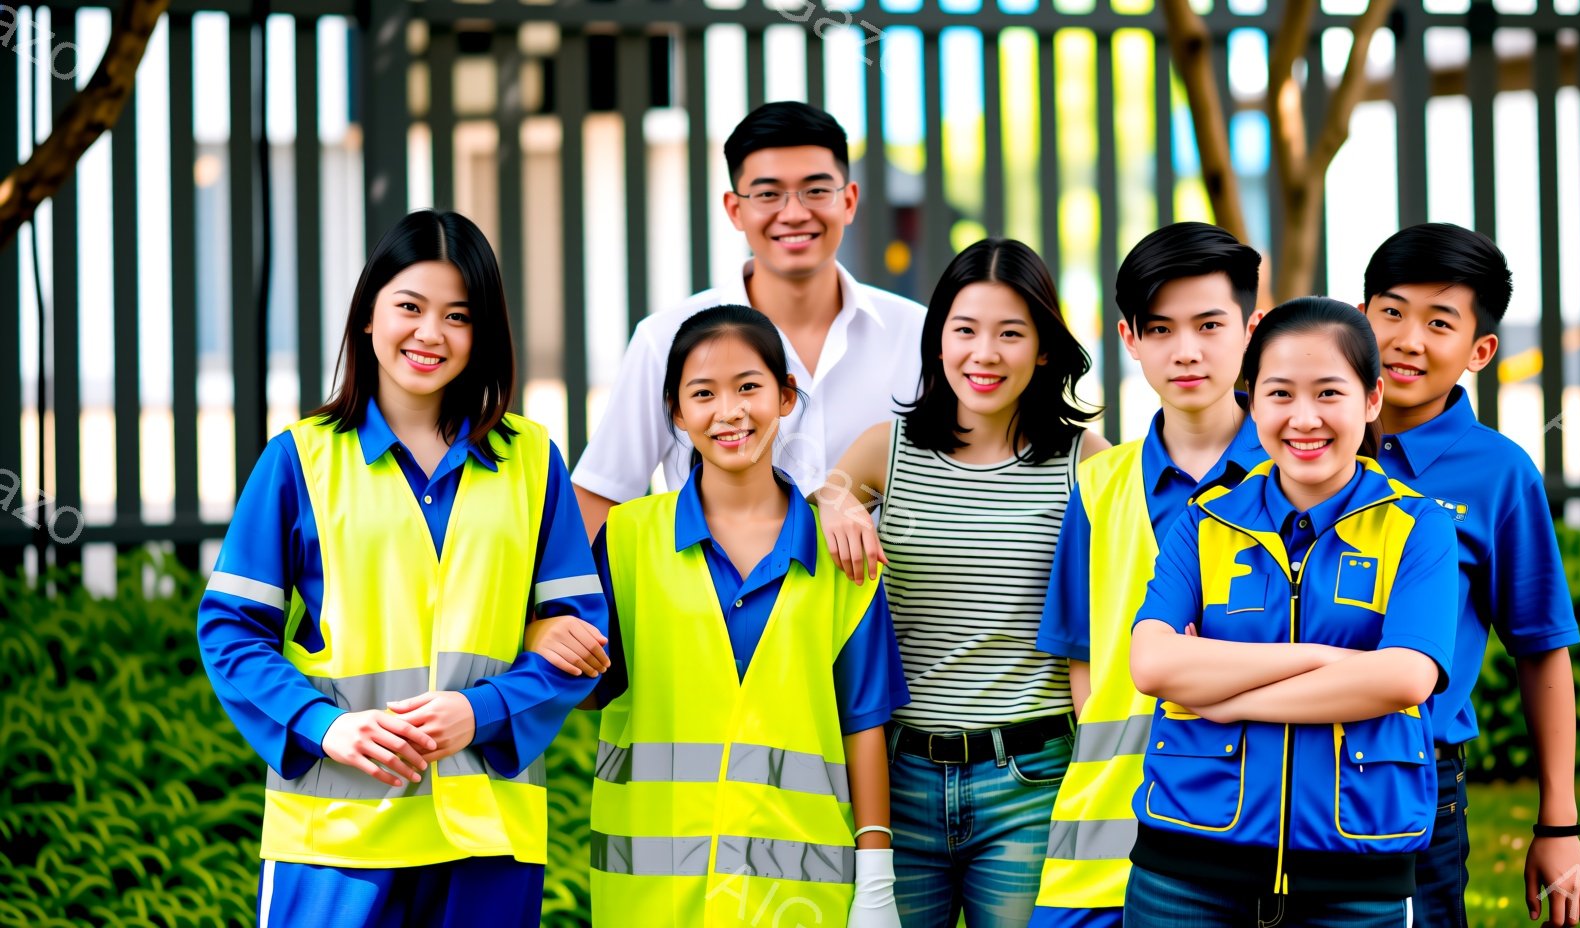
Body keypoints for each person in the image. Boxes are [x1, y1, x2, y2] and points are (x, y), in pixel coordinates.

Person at [197, 210, 606, 927]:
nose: (430, 334)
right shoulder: (301, 459)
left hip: (487, 836)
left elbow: (581, 639)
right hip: (334, 837)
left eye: (458, 316)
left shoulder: (533, 463)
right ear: (367, 316)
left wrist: (479, 712)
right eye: (409, 307)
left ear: (482, 335)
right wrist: (324, 726)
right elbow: (230, 631)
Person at [530, 305, 911, 927]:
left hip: (796, 900)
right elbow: (586, 688)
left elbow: (863, 725)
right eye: (702, 393)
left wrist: (875, 879)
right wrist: (543, 632)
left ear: (786, 397)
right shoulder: (626, 539)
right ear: (676, 413)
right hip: (652, 899)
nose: (728, 411)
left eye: (749, 387)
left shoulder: (840, 550)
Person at [1124, 296, 1460, 927]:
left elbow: (1404, 678)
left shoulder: (1419, 529)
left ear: (1372, 400)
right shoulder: (1202, 520)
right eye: (1279, 394)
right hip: (1186, 865)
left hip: (1357, 871)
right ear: (1253, 404)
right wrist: (1323, 660)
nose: (1304, 419)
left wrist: (1225, 692)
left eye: (1329, 393)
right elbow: (1152, 664)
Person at [812, 238, 1107, 926]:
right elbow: (817, 509)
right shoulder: (885, 450)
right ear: (937, 341)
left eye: (1011, 333)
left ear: (1043, 348)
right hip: (897, 775)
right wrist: (833, 498)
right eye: (965, 330)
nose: (985, 353)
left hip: (1032, 777)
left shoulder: (1085, 462)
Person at [1028, 222, 1266, 928]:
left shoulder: (1302, 479)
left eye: (1209, 325)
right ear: (1129, 339)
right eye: (1160, 329)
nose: (1185, 351)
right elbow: (1085, 668)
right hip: (1105, 837)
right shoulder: (1098, 486)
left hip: (1251, 826)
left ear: (1250, 330)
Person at [1359, 223, 1580, 927]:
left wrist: (1559, 825)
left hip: (1419, 776)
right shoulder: (1298, 442)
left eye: (1439, 322)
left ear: (1480, 350)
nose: (1407, 340)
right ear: (1359, 316)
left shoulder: (1498, 475)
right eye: (1391, 311)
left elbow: (1541, 647)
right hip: (1281, 764)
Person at [570, 101, 925, 537]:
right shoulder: (664, 340)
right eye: (767, 194)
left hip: (877, 604)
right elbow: (599, 498)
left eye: (816, 190)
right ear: (735, 209)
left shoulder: (918, 335)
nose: (794, 213)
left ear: (849, 201)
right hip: (711, 603)